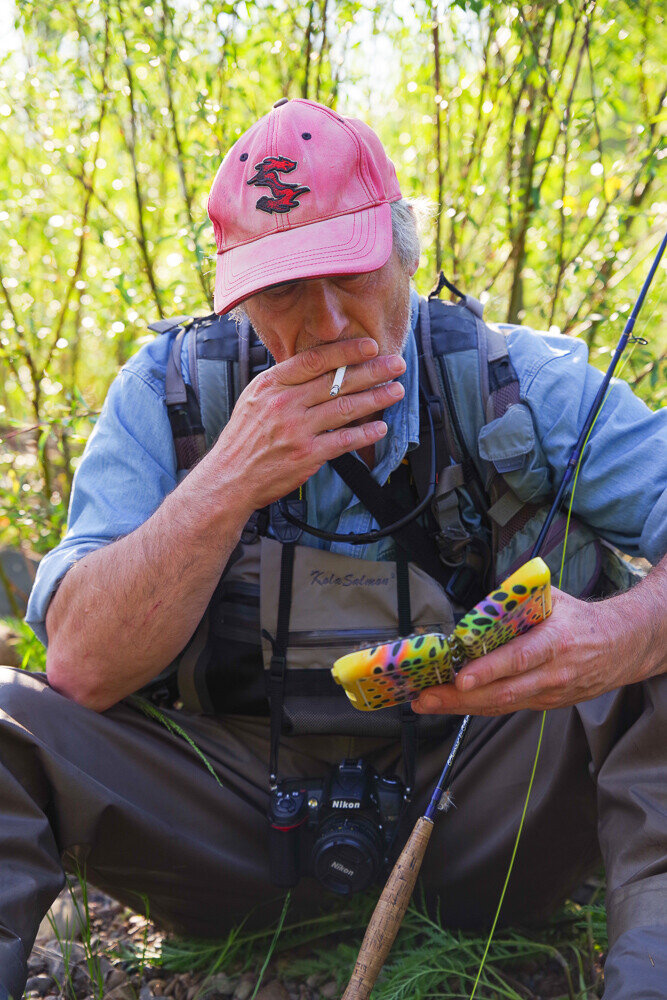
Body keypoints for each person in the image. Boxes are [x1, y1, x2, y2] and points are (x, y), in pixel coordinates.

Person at [1, 98, 665, 1000]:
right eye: (280, 291)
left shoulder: (517, 386)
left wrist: (619, 634)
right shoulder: (165, 400)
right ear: (233, 297)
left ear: (404, 250)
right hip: (229, 830)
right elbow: (79, 669)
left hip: (487, 813)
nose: (324, 324)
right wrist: (226, 479)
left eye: (350, 273)